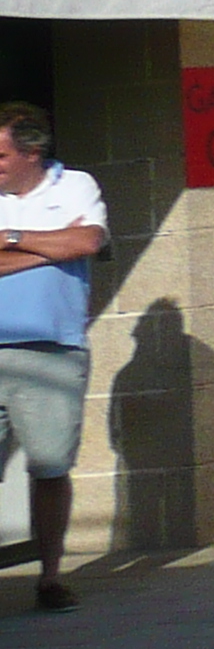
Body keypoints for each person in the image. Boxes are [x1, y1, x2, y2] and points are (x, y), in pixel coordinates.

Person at [0, 102, 105, 613]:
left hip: (51, 352)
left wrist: (10, 240)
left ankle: (49, 577)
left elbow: (88, 240)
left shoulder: (75, 186)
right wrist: (49, 248)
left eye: (0, 155)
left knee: (48, 467)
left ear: (32, 152)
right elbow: (69, 243)